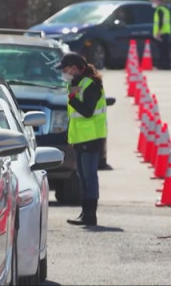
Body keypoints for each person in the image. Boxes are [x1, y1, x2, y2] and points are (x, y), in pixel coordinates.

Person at [54, 52, 107, 226]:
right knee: (82, 176)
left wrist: (72, 99)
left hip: (91, 138)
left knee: (89, 176)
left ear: (75, 68)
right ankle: (85, 213)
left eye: (66, 69)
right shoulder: (77, 84)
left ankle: (91, 214)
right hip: (80, 138)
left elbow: (87, 111)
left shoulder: (90, 84)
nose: (64, 72)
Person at [150, 0, 171, 69]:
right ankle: (165, 65)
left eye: (154, 1)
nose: (153, 2)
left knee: (162, 50)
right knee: (165, 50)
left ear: (158, 1)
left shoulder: (160, 10)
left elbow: (160, 22)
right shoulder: (165, 9)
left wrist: (158, 32)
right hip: (165, 32)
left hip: (162, 33)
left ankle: (163, 65)